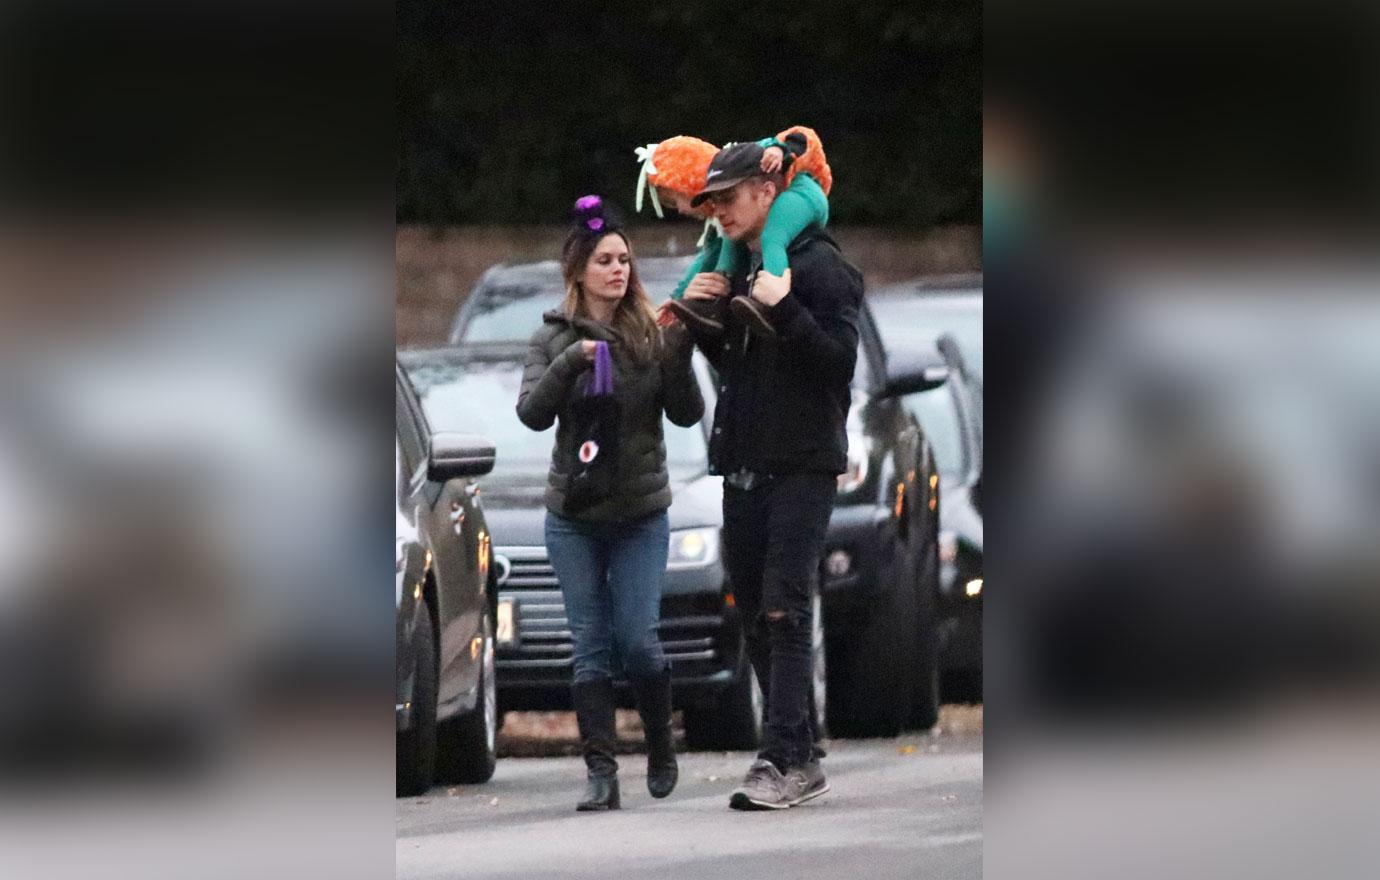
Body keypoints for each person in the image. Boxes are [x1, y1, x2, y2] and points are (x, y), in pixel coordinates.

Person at [678, 141, 862, 810]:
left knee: (786, 608)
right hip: (743, 463)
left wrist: (783, 308)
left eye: (728, 198)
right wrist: (703, 318)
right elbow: (736, 368)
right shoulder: (741, 264)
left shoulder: (819, 265)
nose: (719, 212)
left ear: (767, 190)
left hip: (802, 464)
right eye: (712, 202)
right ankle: (802, 751)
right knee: (756, 612)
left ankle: (781, 756)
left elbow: (839, 362)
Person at [515, 195, 704, 812]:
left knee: (640, 642)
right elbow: (532, 415)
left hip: (640, 515)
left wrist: (680, 357)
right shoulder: (552, 337)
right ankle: (601, 773)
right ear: (579, 271)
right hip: (573, 518)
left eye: (624, 259)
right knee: (590, 645)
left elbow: (686, 413)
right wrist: (570, 363)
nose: (618, 270)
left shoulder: (650, 331)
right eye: (605, 260)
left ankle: (659, 742)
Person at [633, 126, 832, 336]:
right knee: (726, 257)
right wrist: (680, 299)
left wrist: (780, 148)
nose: (681, 209)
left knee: (772, 238)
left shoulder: (751, 155)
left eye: (677, 200)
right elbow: (708, 255)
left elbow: (803, 136)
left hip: (806, 194)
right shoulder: (731, 233)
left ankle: (768, 301)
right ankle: (717, 307)